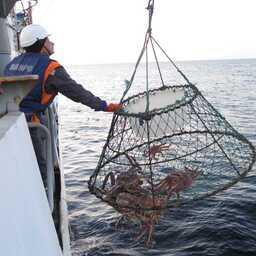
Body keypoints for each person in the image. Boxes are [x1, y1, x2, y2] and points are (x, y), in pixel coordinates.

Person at [4, 24, 122, 186]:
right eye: (48, 39)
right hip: (32, 126)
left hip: (13, 121)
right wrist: (107, 106)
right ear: (42, 43)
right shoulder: (50, 68)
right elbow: (78, 93)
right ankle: (45, 196)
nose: (52, 43)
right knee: (40, 169)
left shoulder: (12, 64)